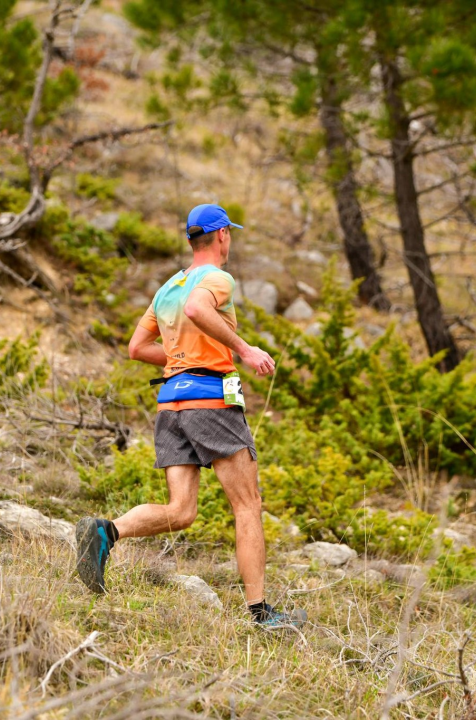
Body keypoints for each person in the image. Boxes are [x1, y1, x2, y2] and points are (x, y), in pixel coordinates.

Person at [74, 203, 306, 628]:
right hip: (211, 402)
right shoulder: (216, 277)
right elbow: (200, 310)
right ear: (222, 237)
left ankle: (106, 531)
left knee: (181, 511)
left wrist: (184, 358)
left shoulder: (168, 288)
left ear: (190, 239)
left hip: (171, 403)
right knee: (248, 505)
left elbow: (136, 348)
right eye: (229, 235)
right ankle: (261, 613)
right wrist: (245, 350)